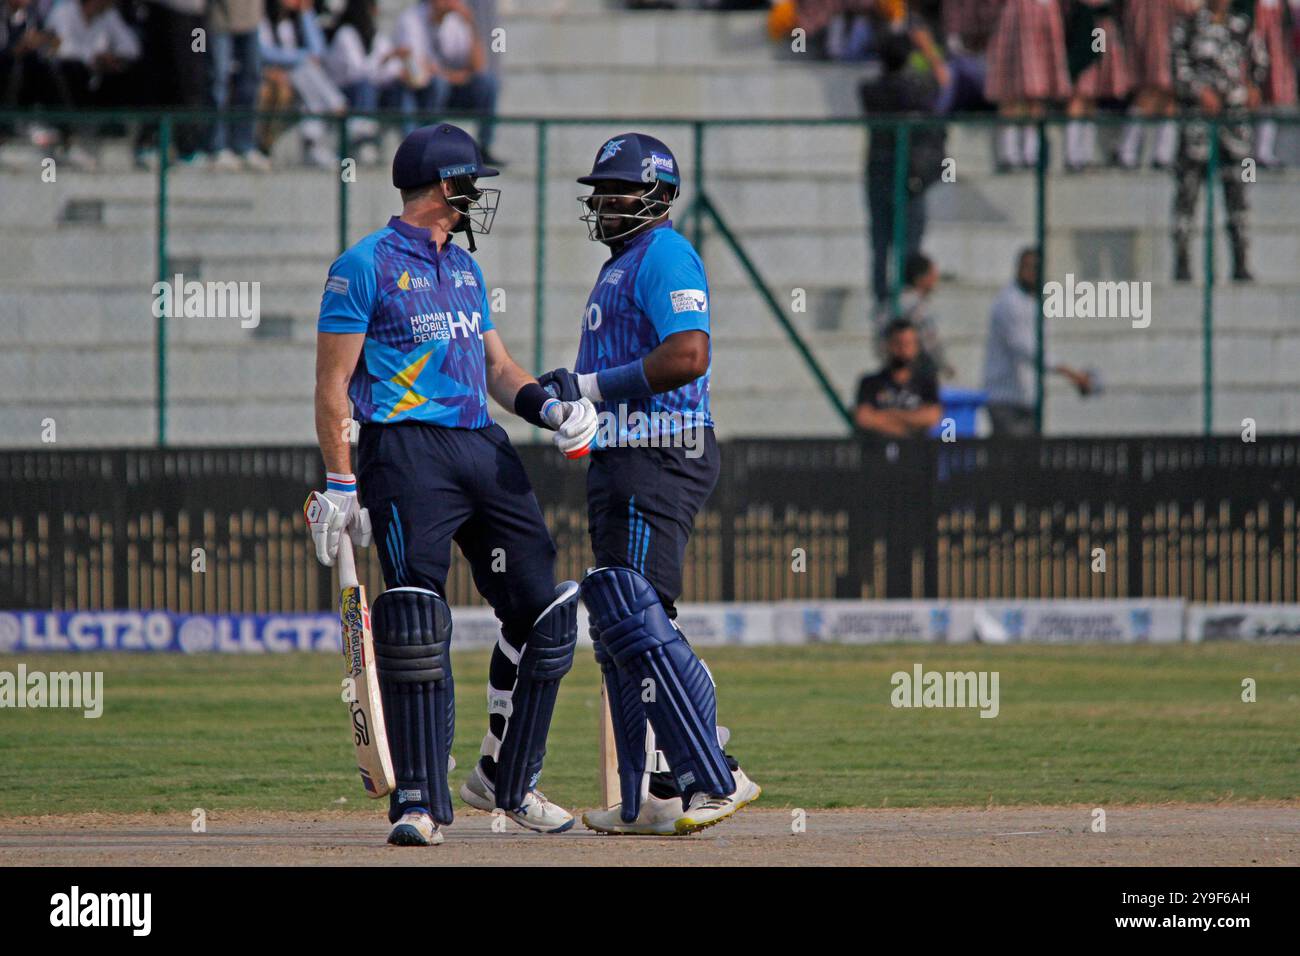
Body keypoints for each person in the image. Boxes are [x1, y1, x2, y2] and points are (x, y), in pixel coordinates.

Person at [307, 123, 598, 847]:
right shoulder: (362, 265)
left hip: (480, 447)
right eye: (471, 183)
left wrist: (551, 408)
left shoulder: (464, 270)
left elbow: (498, 371)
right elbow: (333, 383)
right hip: (405, 452)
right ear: (444, 187)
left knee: (550, 609)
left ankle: (511, 782)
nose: (478, 197)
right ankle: (417, 802)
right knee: (414, 616)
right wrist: (341, 480)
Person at [536, 133, 761, 836]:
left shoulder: (664, 253)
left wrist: (593, 388)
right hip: (625, 454)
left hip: (659, 452)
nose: (604, 202)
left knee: (636, 617)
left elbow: (687, 355)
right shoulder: (622, 264)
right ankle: (654, 792)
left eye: (619, 189)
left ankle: (712, 770)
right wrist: (572, 401)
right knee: (623, 626)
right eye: (599, 191)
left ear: (658, 195)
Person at [1170, 0, 1268, 282]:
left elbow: (1259, 63)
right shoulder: (1188, 27)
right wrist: (1199, 91)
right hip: (1198, 124)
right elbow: (1178, 68)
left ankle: (1240, 260)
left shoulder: (1243, 27)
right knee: (1187, 193)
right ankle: (1182, 261)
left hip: (1234, 126)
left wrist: (1251, 88)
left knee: (1237, 194)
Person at [859, 31, 945, 307]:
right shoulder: (917, 89)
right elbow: (943, 82)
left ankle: (882, 298)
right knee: (908, 240)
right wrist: (928, 51)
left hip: (878, 168)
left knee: (881, 240)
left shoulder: (870, 90)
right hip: (908, 171)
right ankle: (906, 295)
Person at [982, 247, 1093, 436]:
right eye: (1028, 267)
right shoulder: (1009, 303)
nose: (1032, 273)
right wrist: (1070, 373)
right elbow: (1027, 349)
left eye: (1036, 268)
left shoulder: (1032, 302)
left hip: (1026, 397)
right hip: (1006, 398)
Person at [394, 0, 500, 164]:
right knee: (438, 84)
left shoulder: (455, 21)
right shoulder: (411, 19)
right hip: (423, 91)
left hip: (452, 89)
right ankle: (429, 144)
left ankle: (484, 148)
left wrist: (470, 22)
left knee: (488, 83)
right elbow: (418, 72)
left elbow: (478, 68)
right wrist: (454, 76)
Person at [44, 0, 140, 168]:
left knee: (126, 71)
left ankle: (112, 136)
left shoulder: (108, 14)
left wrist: (112, 57)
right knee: (69, 68)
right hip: (66, 82)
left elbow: (132, 48)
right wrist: (92, 58)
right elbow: (57, 48)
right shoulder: (64, 11)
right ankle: (67, 136)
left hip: (95, 83)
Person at [985, 0, 1072, 171]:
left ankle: (1031, 153)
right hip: (1012, 20)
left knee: (1037, 91)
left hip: (1043, 17)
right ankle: (1009, 153)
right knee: (1009, 92)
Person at [259, 0, 346, 166]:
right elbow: (265, 53)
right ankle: (337, 103)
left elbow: (318, 50)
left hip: (298, 77)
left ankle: (312, 143)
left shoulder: (295, 20)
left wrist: (305, 13)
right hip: (271, 75)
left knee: (307, 85)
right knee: (304, 69)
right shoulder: (264, 20)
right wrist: (301, 58)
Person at [854, 317, 943, 439]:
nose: (903, 349)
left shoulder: (926, 382)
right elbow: (864, 419)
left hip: (916, 453)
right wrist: (907, 427)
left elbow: (932, 417)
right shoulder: (871, 383)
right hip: (878, 453)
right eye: (898, 343)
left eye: (909, 344)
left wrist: (891, 415)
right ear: (888, 345)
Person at [208, 0, 269, 171]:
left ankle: (244, 145)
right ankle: (217, 146)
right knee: (218, 80)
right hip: (219, 17)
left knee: (251, 79)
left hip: (252, 18)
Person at [1252, 0, 1297, 168]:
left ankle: (1264, 152)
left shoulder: (1283, 7)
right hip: (1257, 52)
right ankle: (1255, 156)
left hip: (1278, 53)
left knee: (1272, 102)